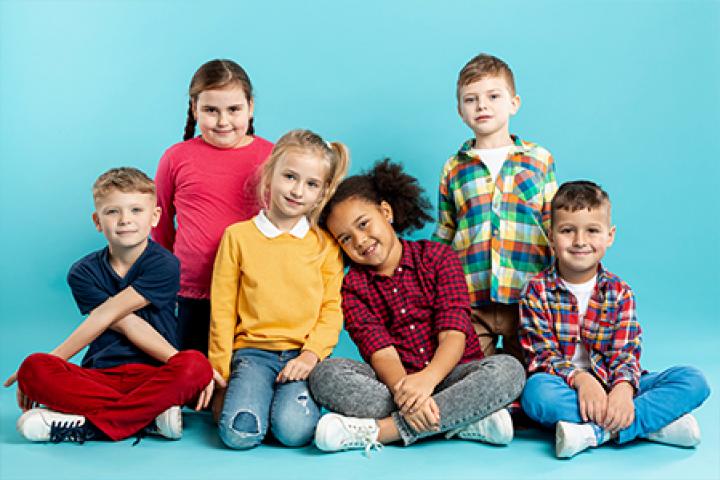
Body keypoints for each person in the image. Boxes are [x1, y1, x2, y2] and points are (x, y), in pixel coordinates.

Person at [310, 159, 525, 454]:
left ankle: (384, 431)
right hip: (397, 386)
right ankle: (462, 421)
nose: (360, 240)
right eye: (346, 238)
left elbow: (454, 334)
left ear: (386, 212)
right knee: (325, 374)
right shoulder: (352, 288)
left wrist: (428, 380)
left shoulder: (439, 257)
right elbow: (382, 353)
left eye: (363, 224)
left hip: (453, 376)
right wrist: (409, 394)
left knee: (509, 369)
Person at [3, 167, 220, 444]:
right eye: (112, 211)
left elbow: (121, 319)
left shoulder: (165, 264)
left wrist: (189, 367)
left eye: (136, 210)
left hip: (156, 376)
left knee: (195, 365)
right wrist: (51, 362)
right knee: (34, 367)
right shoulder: (83, 272)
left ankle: (86, 426)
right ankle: (149, 417)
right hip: (99, 376)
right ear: (97, 220)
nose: (125, 220)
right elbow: (120, 321)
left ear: (155, 217)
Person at [519, 180, 710, 458]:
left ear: (610, 236)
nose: (580, 241)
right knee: (536, 395)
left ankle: (595, 433)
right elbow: (542, 355)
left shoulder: (620, 292)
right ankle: (649, 426)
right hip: (566, 387)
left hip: (615, 383)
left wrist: (623, 388)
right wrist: (582, 380)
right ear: (550, 236)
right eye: (567, 230)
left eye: (592, 230)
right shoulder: (535, 291)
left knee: (693, 381)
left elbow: (626, 352)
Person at [209, 129, 349, 449]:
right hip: (252, 356)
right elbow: (222, 310)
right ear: (270, 174)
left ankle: (279, 406)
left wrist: (311, 355)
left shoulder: (325, 246)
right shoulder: (237, 237)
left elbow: (331, 308)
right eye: (289, 177)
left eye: (311, 184)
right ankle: (256, 398)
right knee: (238, 434)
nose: (297, 191)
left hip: (301, 357)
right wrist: (221, 378)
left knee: (294, 433)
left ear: (322, 192)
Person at [432, 53, 557, 362]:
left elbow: (553, 223)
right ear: (460, 111)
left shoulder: (539, 159)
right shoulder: (453, 167)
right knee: (469, 372)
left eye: (493, 96)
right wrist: (433, 281)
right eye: (470, 99)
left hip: (528, 295)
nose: (482, 106)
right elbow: (446, 230)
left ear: (514, 103)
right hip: (471, 296)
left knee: (531, 369)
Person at [152, 59, 274, 356]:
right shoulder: (176, 158)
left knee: (245, 369)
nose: (223, 121)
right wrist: (168, 280)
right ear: (194, 109)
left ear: (250, 107)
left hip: (252, 291)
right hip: (192, 292)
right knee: (191, 371)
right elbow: (160, 225)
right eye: (211, 110)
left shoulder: (272, 157)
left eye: (233, 109)